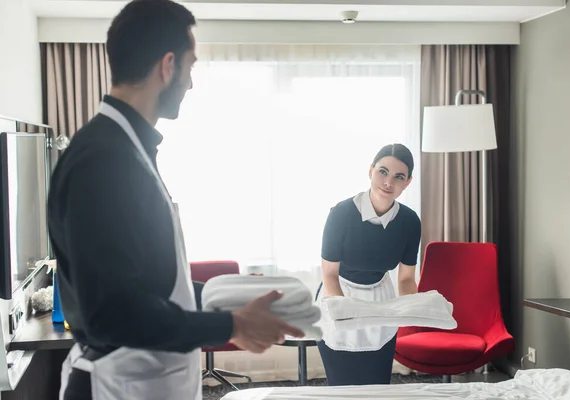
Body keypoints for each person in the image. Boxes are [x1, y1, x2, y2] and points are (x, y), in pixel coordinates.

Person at [47, 1, 304, 399]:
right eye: (191, 66)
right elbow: (112, 313)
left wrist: (230, 294)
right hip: (117, 389)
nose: (191, 82)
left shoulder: (125, 150)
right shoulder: (104, 161)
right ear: (168, 66)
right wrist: (232, 326)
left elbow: (150, 284)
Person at [315, 143, 421, 386]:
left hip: (380, 301)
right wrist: (344, 314)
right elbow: (329, 274)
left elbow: (405, 279)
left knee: (377, 386)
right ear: (370, 170)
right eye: (383, 171)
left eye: (399, 177)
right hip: (339, 295)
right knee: (342, 387)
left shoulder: (409, 222)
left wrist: (413, 307)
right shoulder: (341, 213)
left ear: (407, 182)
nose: (388, 182)